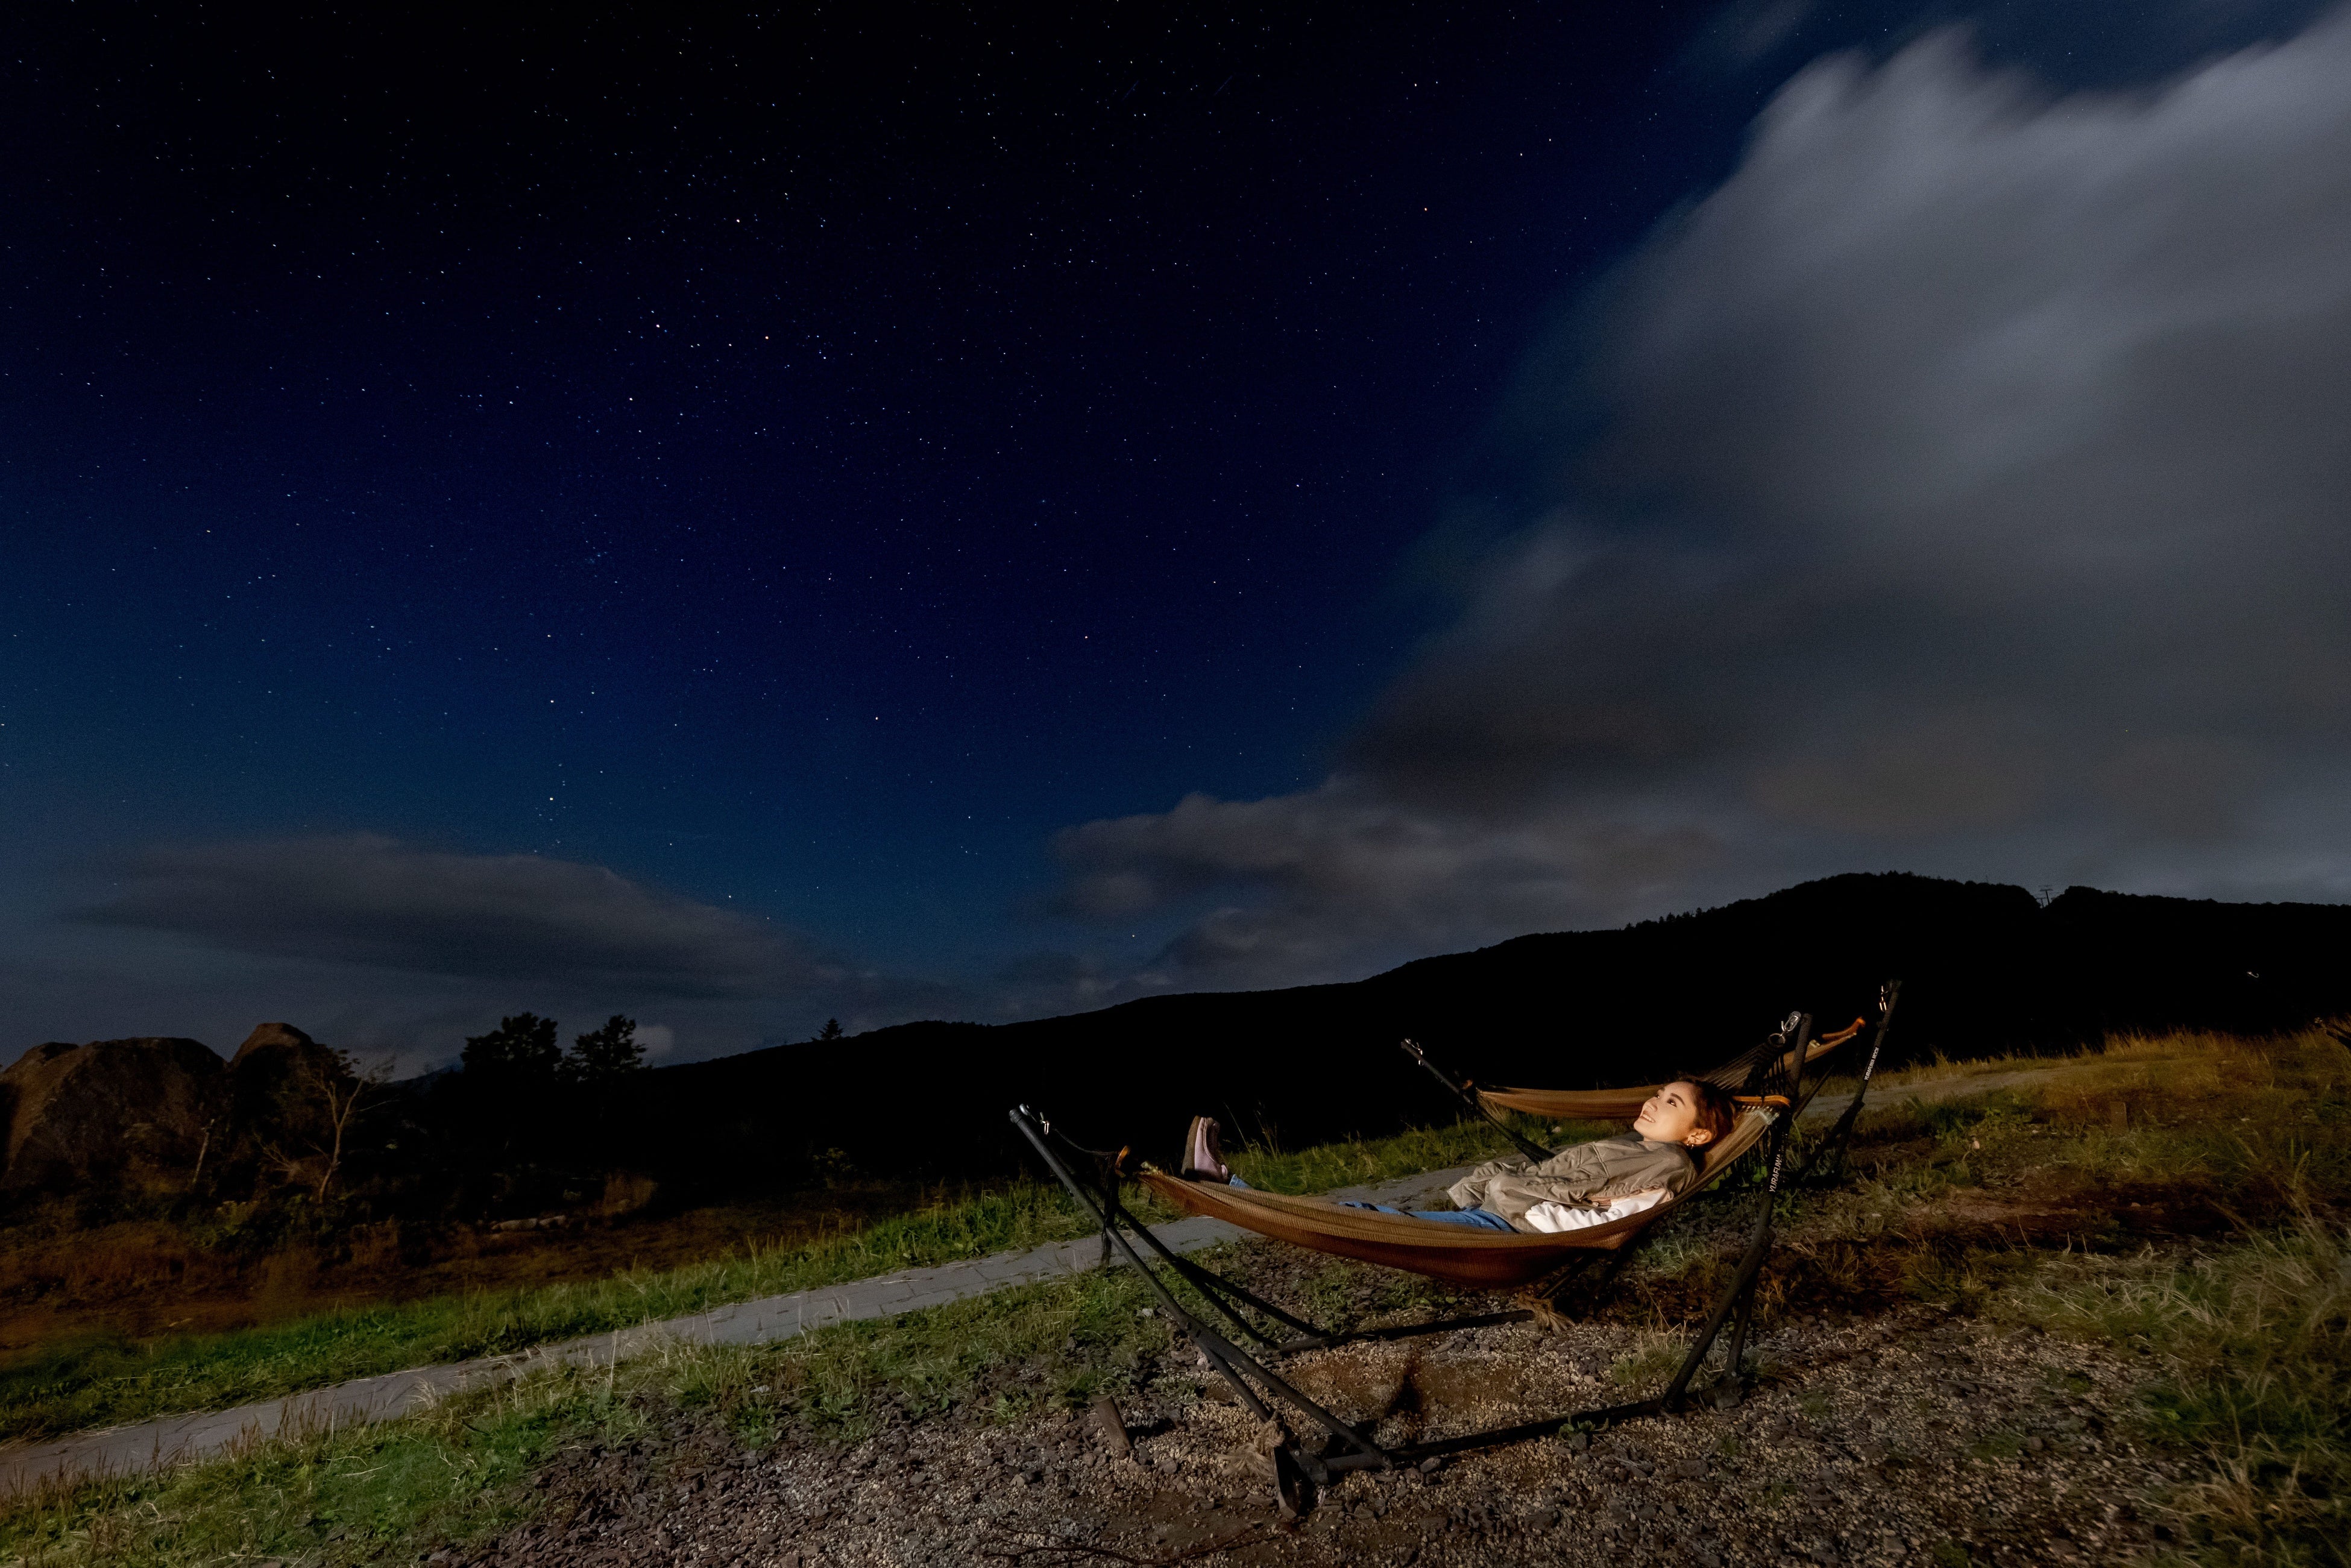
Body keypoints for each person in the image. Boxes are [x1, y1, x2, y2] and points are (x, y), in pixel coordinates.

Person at [1180, 1078, 1736, 1235]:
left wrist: (1545, 1225)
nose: (1653, 1101)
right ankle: (1226, 1189)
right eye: (1658, 1091)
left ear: (1695, 1135)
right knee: (1368, 1215)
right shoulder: (1641, 1147)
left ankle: (1229, 1190)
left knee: (1371, 1219)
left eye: (1672, 1101)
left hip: (1511, 1226)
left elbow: (1615, 1214)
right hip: (1504, 1210)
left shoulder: (1670, 1164)